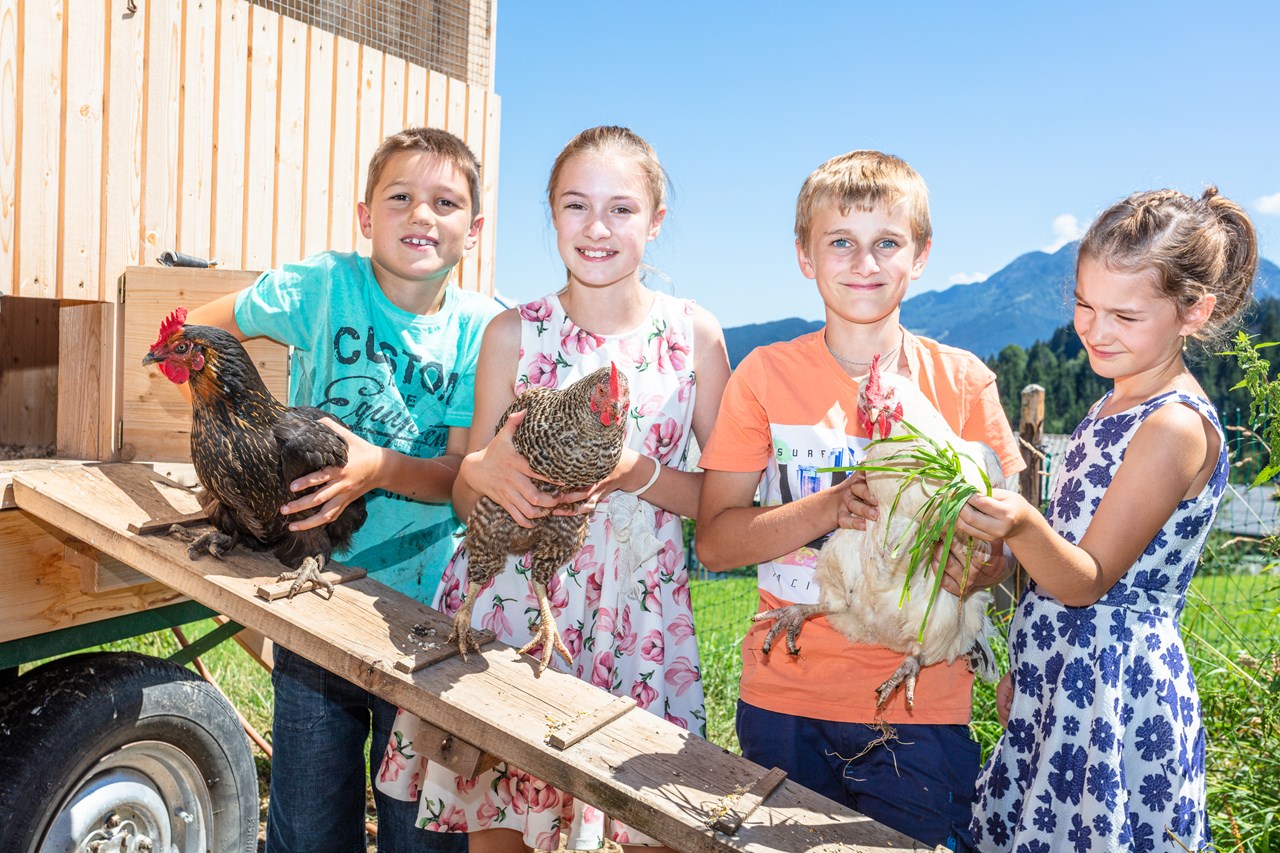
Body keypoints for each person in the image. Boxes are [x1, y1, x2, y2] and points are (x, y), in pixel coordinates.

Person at [375, 125, 731, 852]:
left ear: (655, 221)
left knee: (643, 826)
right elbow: (467, 499)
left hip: (640, 621)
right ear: (550, 213)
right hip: (518, 610)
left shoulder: (693, 337)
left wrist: (637, 472)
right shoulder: (513, 334)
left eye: (622, 209)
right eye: (576, 206)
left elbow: (722, 505)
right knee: (505, 822)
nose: (597, 227)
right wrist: (477, 473)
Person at [695, 149, 1024, 851]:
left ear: (921, 254)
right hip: (786, 695)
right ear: (805, 256)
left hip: (922, 701)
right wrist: (831, 506)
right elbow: (716, 542)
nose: (863, 261)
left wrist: (985, 564)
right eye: (840, 241)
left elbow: (1011, 538)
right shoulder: (763, 376)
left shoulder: (963, 383)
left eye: (887, 242)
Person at [186, 127, 498, 853]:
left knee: (420, 832)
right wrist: (234, 441)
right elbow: (199, 330)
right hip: (314, 594)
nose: (422, 215)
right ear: (365, 216)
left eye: (445, 202)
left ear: (473, 230)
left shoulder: (481, 330)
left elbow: (461, 479)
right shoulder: (321, 285)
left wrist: (380, 466)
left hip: (423, 613)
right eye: (401, 198)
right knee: (307, 823)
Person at [957, 187, 1257, 852]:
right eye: (1085, 305)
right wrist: (1029, 665)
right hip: (1065, 681)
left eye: (1124, 313)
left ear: (1194, 311)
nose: (1094, 329)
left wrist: (1019, 524)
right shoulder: (1112, 405)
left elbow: (1088, 579)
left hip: (1114, 698)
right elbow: (1066, 555)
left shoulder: (1173, 425)